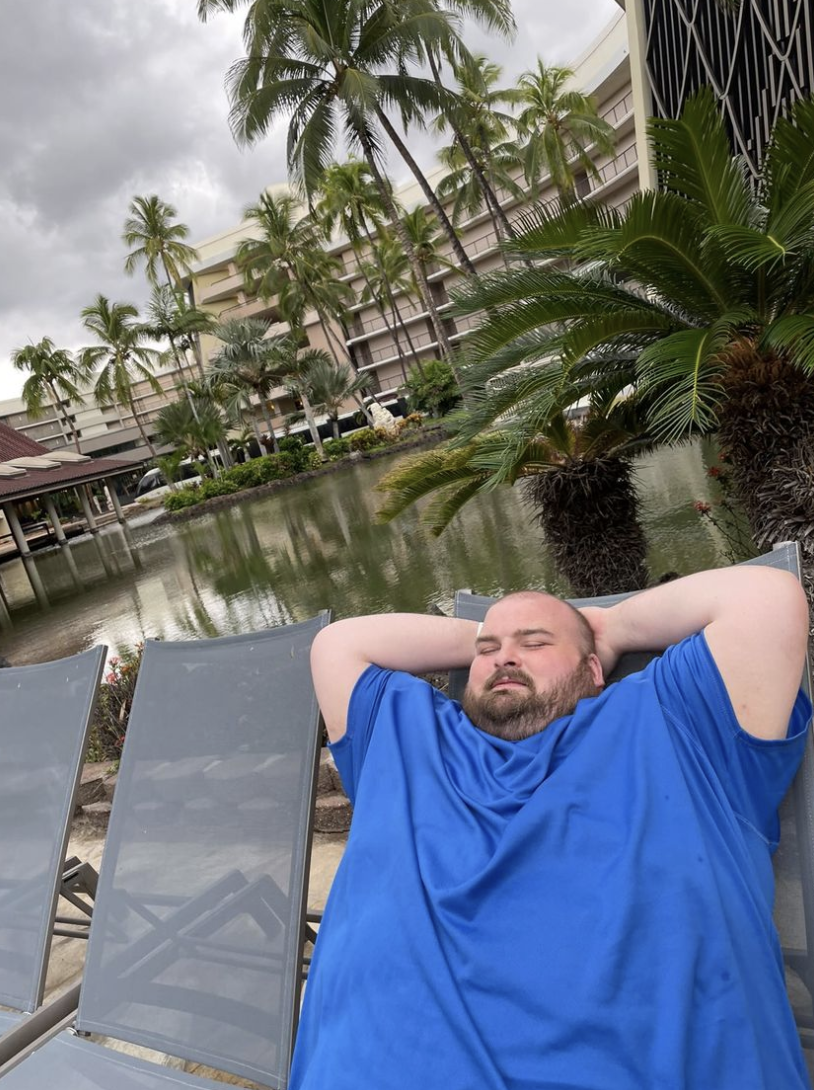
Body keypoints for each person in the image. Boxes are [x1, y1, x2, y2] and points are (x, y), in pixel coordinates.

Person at [290, 565, 812, 1089]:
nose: (504, 658)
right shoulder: (407, 733)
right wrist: (490, 637)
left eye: (536, 644)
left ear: (593, 669)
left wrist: (611, 628)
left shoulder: (672, 718)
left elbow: (766, 598)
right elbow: (338, 643)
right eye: (487, 651)